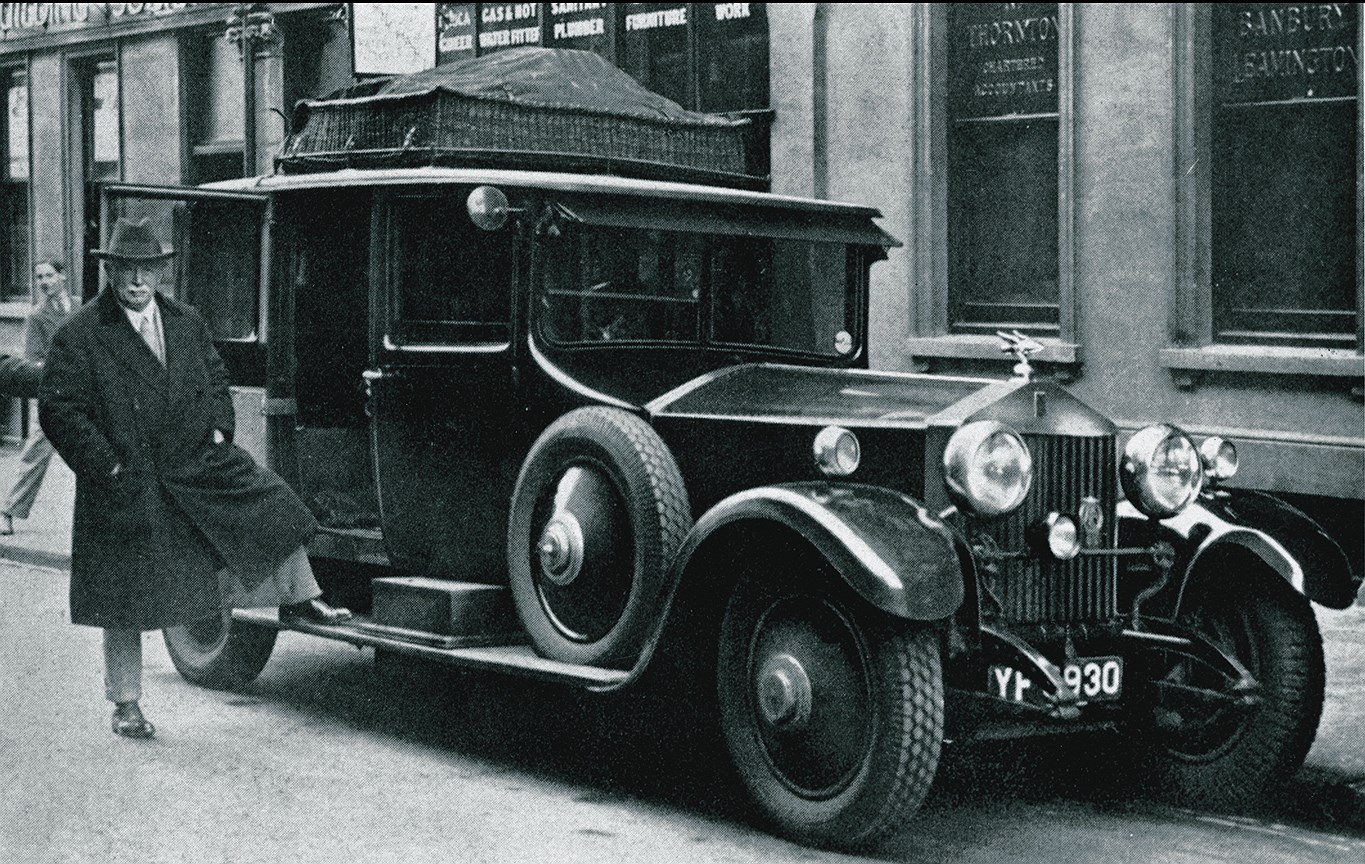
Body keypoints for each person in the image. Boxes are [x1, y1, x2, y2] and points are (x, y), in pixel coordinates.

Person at [39, 217, 351, 741]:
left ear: (160, 274)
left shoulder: (186, 322)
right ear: (110, 272)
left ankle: (300, 596)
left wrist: (221, 431)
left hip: (194, 460)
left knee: (271, 500)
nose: (138, 282)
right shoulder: (82, 335)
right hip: (128, 476)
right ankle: (127, 703)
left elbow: (217, 377)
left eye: (147, 271)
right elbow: (59, 411)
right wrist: (106, 465)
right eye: (126, 270)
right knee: (126, 592)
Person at [2, 259, 75, 536]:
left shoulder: (82, 307)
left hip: (85, 393)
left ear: (63, 277)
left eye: (49, 276)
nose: (44, 282)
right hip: (52, 395)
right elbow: (33, 362)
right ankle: (7, 512)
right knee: (36, 453)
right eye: (39, 278)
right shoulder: (36, 316)